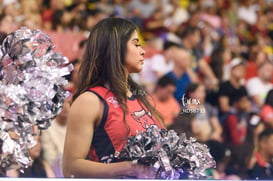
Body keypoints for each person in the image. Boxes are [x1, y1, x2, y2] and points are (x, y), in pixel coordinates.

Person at [62, 18, 164, 178]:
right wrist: (129, 168)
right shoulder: (90, 101)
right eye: (136, 44)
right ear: (116, 48)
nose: (142, 51)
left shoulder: (141, 98)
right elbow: (71, 168)